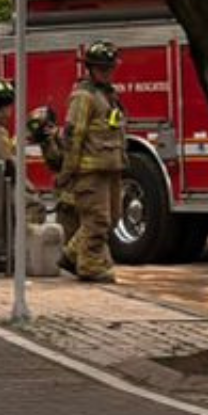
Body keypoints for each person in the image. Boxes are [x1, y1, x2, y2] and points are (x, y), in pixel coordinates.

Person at [58, 41, 125, 282]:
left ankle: (71, 254)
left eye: (110, 68)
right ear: (90, 68)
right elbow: (73, 136)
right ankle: (89, 265)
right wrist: (68, 171)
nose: (107, 72)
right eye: (102, 68)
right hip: (90, 170)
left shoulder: (108, 95)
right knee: (97, 220)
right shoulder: (83, 97)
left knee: (113, 218)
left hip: (111, 167)